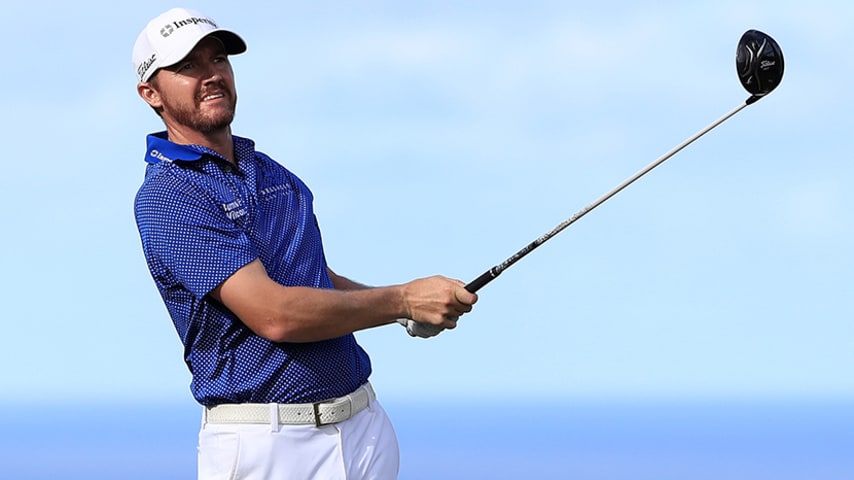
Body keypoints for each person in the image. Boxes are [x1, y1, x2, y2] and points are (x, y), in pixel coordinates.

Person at [131, 8, 477, 480]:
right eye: (188, 66)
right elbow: (275, 314)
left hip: (363, 429)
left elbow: (316, 279)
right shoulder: (169, 196)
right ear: (151, 94)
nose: (211, 75)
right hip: (267, 446)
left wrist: (405, 313)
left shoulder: (272, 172)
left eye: (218, 60)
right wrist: (402, 298)